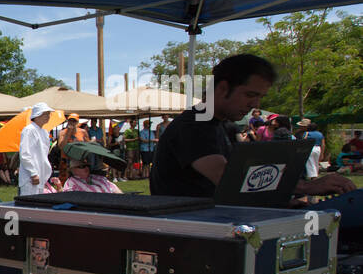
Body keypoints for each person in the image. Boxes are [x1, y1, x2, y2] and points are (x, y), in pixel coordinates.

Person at [150, 54, 355, 199]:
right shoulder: (194, 125)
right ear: (222, 88)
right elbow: (230, 179)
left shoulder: (222, 126)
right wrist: (308, 186)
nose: (255, 105)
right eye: (250, 95)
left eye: (260, 97)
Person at [18, 103, 57, 193]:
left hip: (40, 176)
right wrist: (33, 173)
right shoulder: (29, 130)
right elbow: (25, 154)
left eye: (48, 114)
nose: (48, 116)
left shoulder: (44, 132)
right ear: (37, 115)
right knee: (29, 204)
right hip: (30, 177)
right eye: (45, 114)